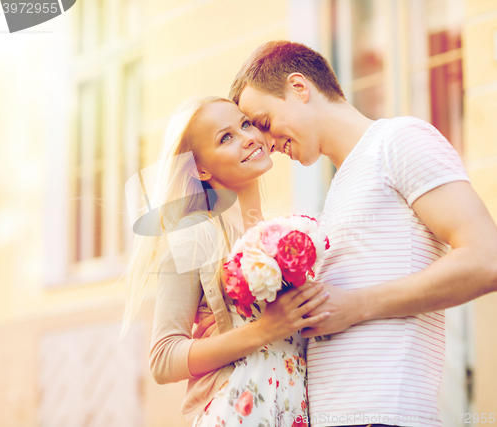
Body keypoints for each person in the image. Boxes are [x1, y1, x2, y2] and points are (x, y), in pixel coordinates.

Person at [225, 41, 497, 427]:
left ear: (300, 87)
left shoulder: (397, 140)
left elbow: (487, 258)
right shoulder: (340, 187)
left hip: (386, 416)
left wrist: (357, 305)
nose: (266, 143)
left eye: (265, 122)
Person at [120, 96, 330, 426]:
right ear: (201, 169)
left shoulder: (290, 235)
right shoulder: (196, 236)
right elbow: (163, 358)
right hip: (236, 412)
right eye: (226, 137)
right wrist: (263, 330)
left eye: (245, 124)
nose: (248, 137)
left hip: (293, 411)